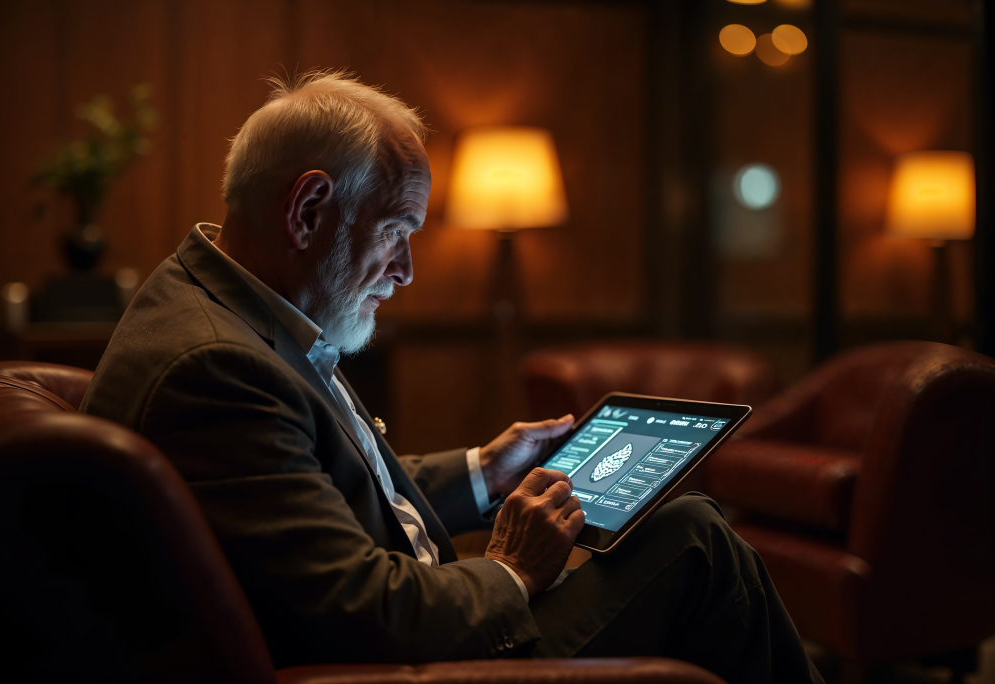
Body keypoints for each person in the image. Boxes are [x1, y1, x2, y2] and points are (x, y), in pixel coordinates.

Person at [81, 71, 822, 683]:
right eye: (396, 232)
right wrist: (513, 570)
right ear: (307, 210)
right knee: (695, 542)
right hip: (411, 661)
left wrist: (483, 473)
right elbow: (365, 616)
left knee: (684, 544)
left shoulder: (231, 307)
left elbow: (320, 489)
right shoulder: (219, 370)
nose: (405, 271)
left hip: (420, 624)